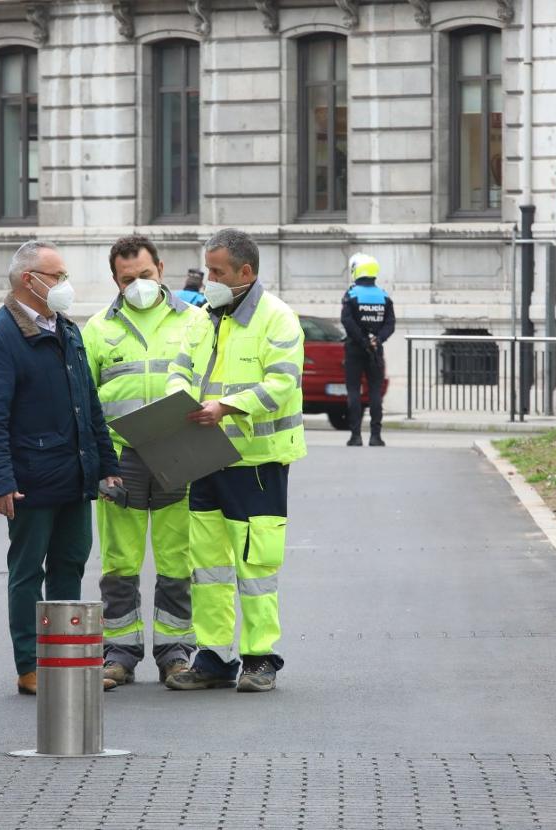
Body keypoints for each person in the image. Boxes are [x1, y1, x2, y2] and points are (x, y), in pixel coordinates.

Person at [0, 240, 123, 697]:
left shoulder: (66, 330)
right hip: (31, 482)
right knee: (27, 572)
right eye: (56, 277)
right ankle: (31, 665)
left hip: (74, 477)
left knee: (70, 565)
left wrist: (106, 465)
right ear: (27, 281)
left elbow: (88, 405)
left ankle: (66, 659)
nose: (64, 285)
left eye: (63, 275)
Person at [164, 228, 306, 693]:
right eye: (208, 270)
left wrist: (227, 407)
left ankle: (259, 657)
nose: (209, 280)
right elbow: (181, 367)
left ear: (245, 272)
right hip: (206, 458)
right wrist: (175, 401)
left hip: (257, 464)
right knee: (208, 566)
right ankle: (214, 656)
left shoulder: (277, 319)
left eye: (217, 271)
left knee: (255, 567)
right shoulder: (205, 317)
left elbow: (282, 383)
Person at [82, 235, 213, 688]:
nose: (138, 284)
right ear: (114, 280)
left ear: (161, 267)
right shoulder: (97, 330)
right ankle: (118, 654)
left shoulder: (198, 323)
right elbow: (84, 403)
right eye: (127, 279)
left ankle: (176, 653)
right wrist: (101, 466)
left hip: (180, 452)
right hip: (123, 459)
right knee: (119, 561)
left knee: (179, 558)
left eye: (145, 275)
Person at [340, 253, 395, 447]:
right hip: (376, 350)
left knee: (354, 391)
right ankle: (376, 436)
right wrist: (377, 340)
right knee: (375, 393)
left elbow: (347, 321)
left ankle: (355, 436)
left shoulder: (352, 295)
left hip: (355, 349)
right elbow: (390, 324)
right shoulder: (384, 296)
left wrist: (362, 340)